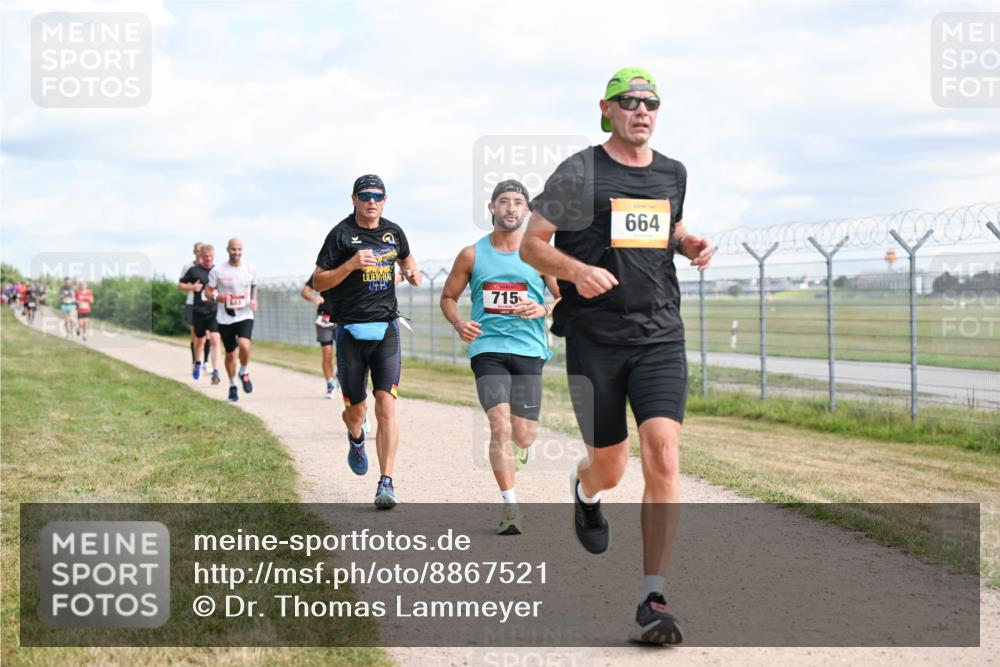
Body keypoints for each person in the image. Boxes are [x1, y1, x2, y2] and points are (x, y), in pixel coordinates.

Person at [520, 67, 713, 645]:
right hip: (594, 340)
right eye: (629, 101)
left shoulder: (673, 172)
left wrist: (688, 241)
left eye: (651, 102)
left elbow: (666, 227)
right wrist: (576, 271)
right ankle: (586, 491)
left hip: (658, 335)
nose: (641, 110)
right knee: (611, 465)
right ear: (606, 108)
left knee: (663, 452)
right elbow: (533, 243)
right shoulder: (579, 171)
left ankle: (653, 597)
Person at [440, 179, 560, 535]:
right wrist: (460, 323)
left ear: (526, 211)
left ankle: (520, 450)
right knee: (500, 426)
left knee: (523, 435)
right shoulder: (472, 254)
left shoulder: (540, 254)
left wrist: (543, 308)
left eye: (518, 203)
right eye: (504, 201)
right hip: (488, 350)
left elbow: (564, 298)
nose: (511, 208)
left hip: (529, 352)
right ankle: (510, 505)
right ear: (492, 209)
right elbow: (448, 297)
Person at [312, 174, 422, 509]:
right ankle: (356, 437)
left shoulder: (394, 231)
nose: (371, 201)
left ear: (385, 200)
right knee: (356, 412)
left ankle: (386, 482)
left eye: (377, 196)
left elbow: (406, 259)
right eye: (365, 196)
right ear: (354, 200)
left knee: (386, 405)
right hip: (350, 333)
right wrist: (350, 264)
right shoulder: (341, 234)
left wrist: (413, 272)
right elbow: (318, 281)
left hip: (386, 329)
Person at [206, 238, 257, 401]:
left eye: (239, 249)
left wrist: (254, 299)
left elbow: (254, 285)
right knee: (229, 355)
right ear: (227, 250)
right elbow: (208, 292)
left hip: (245, 314)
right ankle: (233, 384)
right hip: (225, 318)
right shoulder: (217, 270)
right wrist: (216, 297)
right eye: (233, 249)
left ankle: (244, 370)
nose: (237, 253)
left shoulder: (250, 268)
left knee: (244, 345)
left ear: (243, 250)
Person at [179, 245, 223, 385]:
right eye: (206, 256)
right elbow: (180, 285)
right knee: (200, 340)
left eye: (211, 256)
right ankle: (198, 363)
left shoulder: (218, 271)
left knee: (215, 339)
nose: (208, 259)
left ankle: (216, 372)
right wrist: (192, 287)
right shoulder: (194, 270)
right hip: (199, 311)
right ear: (201, 256)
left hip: (214, 311)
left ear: (214, 256)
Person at [300, 276, 339, 398]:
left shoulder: (348, 267)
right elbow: (305, 291)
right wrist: (314, 298)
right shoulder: (322, 270)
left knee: (344, 353)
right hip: (324, 318)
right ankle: (330, 385)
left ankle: (340, 374)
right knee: (327, 353)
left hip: (342, 317)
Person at [179, 242, 212, 374]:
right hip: (192, 303)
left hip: (207, 304)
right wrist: (192, 287)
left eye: (202, 250)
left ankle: (206, 362)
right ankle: (195, 362)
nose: (200, 252)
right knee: (195, 334)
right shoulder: (188, 267)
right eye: (198, 250)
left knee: (208, 334)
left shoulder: (210, 267)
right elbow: (181, 285)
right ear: (194, 252)